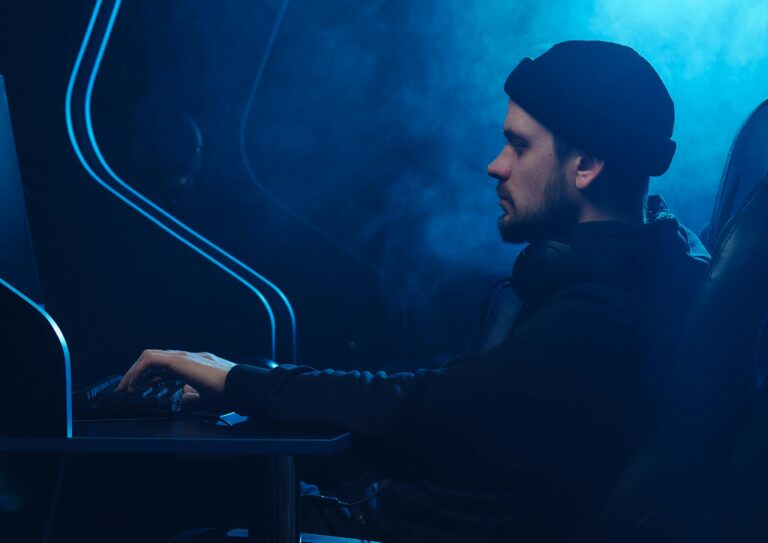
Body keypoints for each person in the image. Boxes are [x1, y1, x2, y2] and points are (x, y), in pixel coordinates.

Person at [118, 40, 711, 542]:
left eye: (520, 145)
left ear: (586, 166)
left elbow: (420, 408)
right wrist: (252, 398)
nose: (495, 166)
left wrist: (235, 379)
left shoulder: (597, 316)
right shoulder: (634, 275)